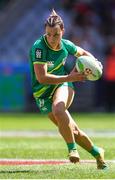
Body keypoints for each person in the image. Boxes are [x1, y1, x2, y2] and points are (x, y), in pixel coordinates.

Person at [29, 9, 107, 169]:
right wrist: (70, 77)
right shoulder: (39, 48)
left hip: (62, 85)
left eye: (56, 34)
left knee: (58, 108)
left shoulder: (67, 45)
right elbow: (42, 78)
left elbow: (83, 52)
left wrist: (95, 63)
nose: (51, 38)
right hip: (42, 94)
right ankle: (97, 153)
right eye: (48, 34)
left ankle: (72, 150)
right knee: (73, 131)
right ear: (45, 32)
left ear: (62, 31)